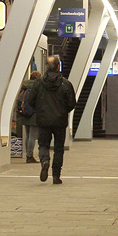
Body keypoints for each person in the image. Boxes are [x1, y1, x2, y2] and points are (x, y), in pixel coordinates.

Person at [25, 56, 76, 184]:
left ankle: (45, 161)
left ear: (46, 67)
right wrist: (63, 111)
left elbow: (30, 100)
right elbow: (71, 103)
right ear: (58, 67)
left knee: (43, 144)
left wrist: (40, 110)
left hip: (43, 120)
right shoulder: (66, 84)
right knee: (59, 148)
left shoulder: (38, 83)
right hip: (60, 121)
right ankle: (56, 176)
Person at [17, 71, 41, 163]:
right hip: (33, 113)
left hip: (24, 113)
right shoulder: (37, 87)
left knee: (27, 135)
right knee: (32, 136)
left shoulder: (24, 86)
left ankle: (28, 155)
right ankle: (29, 156)